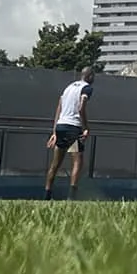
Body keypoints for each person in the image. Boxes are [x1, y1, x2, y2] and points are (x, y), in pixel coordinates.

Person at [44, 67, 94, 198]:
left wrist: (54, 131)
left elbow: (59, 107)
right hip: (73, 127)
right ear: (89, 76)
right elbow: (81, 107)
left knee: (55, 164)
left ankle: (47, 194)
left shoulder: (68, 88)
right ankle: (71, 197)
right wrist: (86, 127)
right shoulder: (86, 88)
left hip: (61, 126)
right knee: (77, 161)